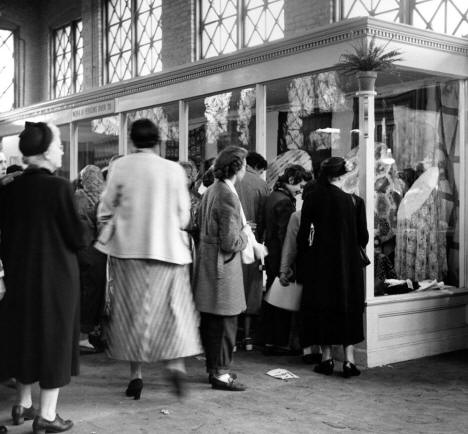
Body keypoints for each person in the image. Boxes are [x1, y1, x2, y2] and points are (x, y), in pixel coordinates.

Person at [95, 119, 201, 400]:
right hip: (168, 251)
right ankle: (176, 366)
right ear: (158, 141)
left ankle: (136, 377)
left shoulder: (121, 167)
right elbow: (183, 215)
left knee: (134, 312)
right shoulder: (174, 169)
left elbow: (106, 207)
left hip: (129, 251)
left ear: (131, 141)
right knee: (172, 309)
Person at [0, 121, 84, 433]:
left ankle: (21, 404)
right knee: (54, 339)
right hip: (56, 278)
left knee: (25, 336)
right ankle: (48, 415)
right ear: (47, 150)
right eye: (59, 145)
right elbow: (77, 236)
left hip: (19, 276)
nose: (61, 150)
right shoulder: (59, 187)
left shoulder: (10, 188)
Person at [297, 156, 369, 378]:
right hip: (348, 265)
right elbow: (363, 237)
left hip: (321, 263)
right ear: (343, 175)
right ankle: (349, 361)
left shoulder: (312, 197)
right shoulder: (355, 201)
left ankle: (326, 358)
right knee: (348, 306)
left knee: (324, 307)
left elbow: (303, 234)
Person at [193, 146, 249, 391]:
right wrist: (246, 236)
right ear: (237, 167)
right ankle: (221, 373)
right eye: (244, 164)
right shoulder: (228, 194)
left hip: (207, 263)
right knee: (226, 323)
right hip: (223, 268)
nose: (246, 168)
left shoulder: (212, 190)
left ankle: (213, 368)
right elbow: (230, 241)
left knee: (211, 322)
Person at [261, 164, 310, 355]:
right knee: (281, 301)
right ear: (291, 181)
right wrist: (287, 265)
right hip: (279, 255)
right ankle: (279, 342)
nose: (301, 190)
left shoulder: (272, 197)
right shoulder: (285, 203)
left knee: (272, 299)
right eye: (300, 185)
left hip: (270, 253)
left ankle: (269, 340)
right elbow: (285, 236)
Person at [235, 152, 269, 350]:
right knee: (251, 288)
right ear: (257, 167)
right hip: (252, 240)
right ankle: (248, 337)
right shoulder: (261, 185)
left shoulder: (227, 181)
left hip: (232, 241)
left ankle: (231, 335)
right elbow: (264, 216)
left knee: (233, 286)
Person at [74, 165, 107, 350]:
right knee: (91, 294)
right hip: (92, 251)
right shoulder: (98, 199)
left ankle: (83, 334)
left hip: (82, 251)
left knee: (84, 292)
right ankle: (83, 335)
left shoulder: (79, 197)